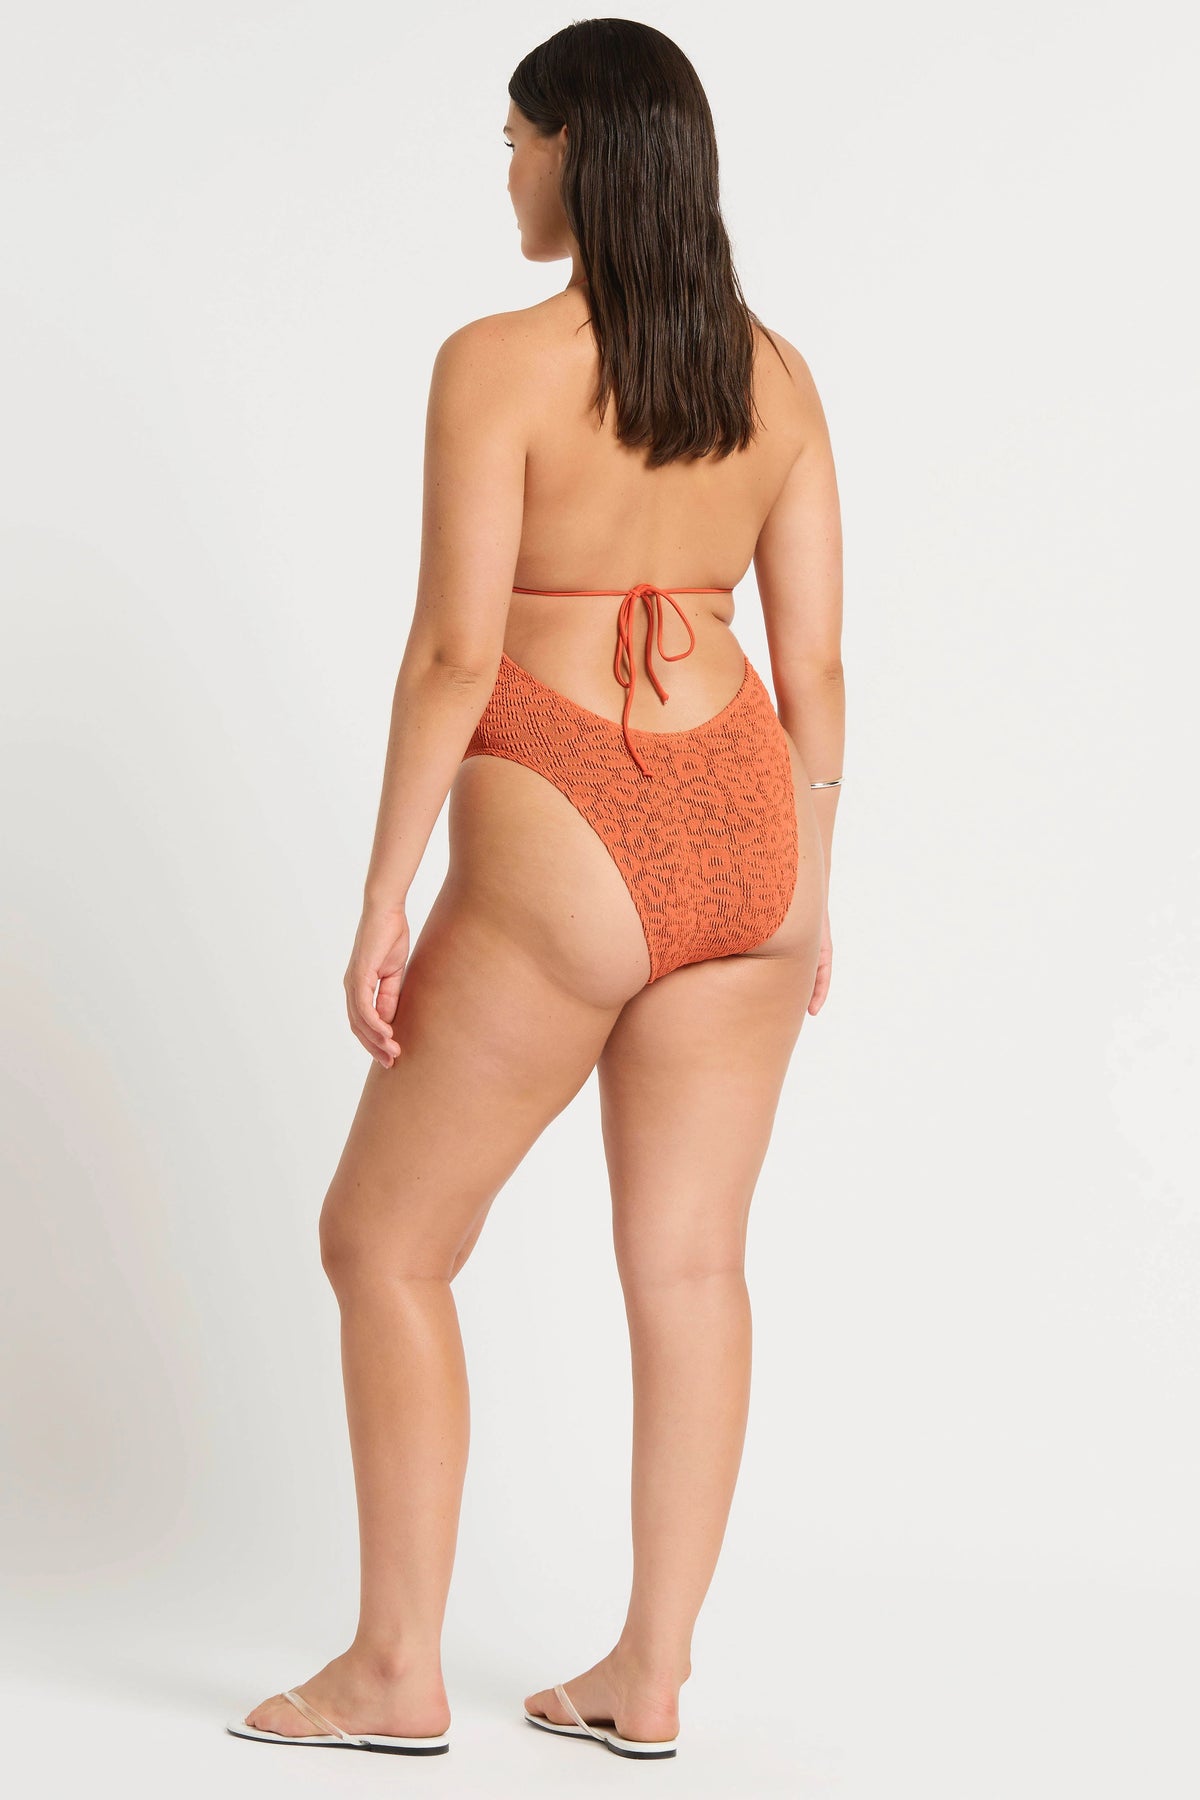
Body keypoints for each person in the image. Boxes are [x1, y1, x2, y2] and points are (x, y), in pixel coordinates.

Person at [226, 16, 843, 1762]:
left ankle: (391, 1672)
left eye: (515, 138)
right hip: (752, 814)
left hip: (566, 813)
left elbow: (451, 653)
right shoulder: (777, 378)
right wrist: (811, 882)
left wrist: (383, 892)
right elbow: (819, 665)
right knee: (693, 1269)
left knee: (384, 1242)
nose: (505, 168)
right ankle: (650, 1680)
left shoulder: (495, 364)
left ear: (582, 150)